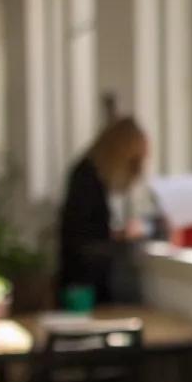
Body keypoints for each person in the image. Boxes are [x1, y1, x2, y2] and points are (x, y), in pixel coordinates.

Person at [59, 117, 148, 305]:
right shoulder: (86, 179)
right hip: (83, 286)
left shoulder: (91, 177)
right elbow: (83, 239)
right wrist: (120, 238)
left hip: (84, 281)